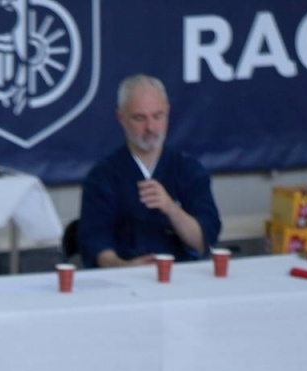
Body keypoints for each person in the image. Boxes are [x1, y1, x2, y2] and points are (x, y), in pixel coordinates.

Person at [77, 75, 221, 268]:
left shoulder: (189, 170)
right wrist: (123, 267)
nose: (151, 128)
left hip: (181, 278)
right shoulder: (102, 176)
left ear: (168, 112)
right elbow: (95, 243)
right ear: (121, 118)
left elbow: (204, 241)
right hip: (121, 282)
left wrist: (171, 209)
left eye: (157, 116)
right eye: (139, 118)